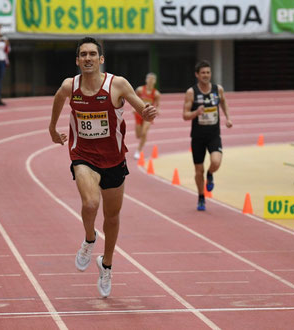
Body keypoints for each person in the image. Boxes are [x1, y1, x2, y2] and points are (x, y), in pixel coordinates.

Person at [49, 37, 157, 297]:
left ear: (101, 59)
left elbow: (139, 106)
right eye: (83, 54)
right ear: (77, 60)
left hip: (114, 159)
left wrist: (147, 112)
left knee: (112, 217)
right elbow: (58, 99)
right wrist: (52, 128)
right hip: (83, 156)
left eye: (92, 54)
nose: (87, 58)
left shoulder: (116, 84)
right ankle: (89, 239)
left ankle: (106, 264)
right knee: (89, 204)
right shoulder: (70, 86)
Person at [183, 60, 232, 211]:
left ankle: (210, 174)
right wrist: (196, 113)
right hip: (198, 137)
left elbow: (223, 102)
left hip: (213, 134)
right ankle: (201, 197)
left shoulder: (218, 89)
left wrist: (228, 117)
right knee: (198, 171)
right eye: (203, 73)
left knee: (216, 161)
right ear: (197, 75)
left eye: (208, 72)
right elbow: (185, 115)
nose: (206, 75)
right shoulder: (191, 92)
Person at [133, 73, 160, 160]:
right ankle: (142, 140)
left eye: (152, 79)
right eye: (149, 78)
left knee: (144, 132)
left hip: (148, 115)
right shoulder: (140, 90)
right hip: (139, 113)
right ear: (146, 79)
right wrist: (134, 108)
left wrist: (157, 110)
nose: (151, 80)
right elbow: (133, 98)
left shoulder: (156, 93)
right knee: (138, 135)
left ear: (155, 81)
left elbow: (158, 104)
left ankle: (138, 150)